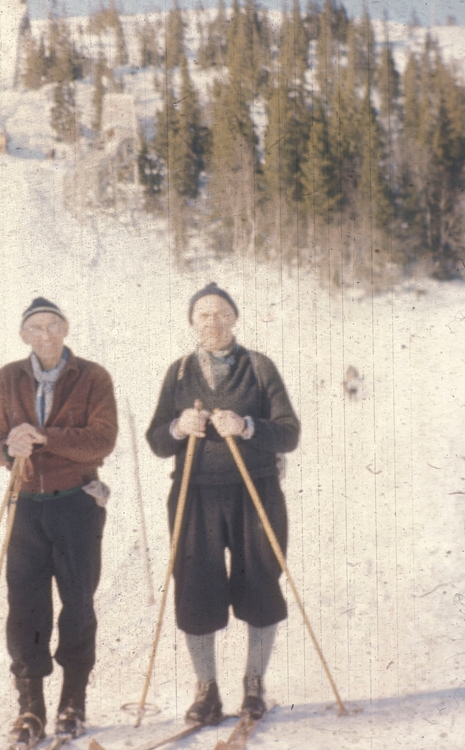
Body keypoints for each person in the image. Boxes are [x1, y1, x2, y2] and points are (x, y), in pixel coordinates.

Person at [145, 283, 300, 724]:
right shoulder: (178, 372)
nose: (212, 323)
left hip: (256, 493)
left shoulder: (258, 367)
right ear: (192, 323)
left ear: (234, 318)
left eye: (220, 314)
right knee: (195, 587)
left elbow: (289, 431)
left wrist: (248, 426)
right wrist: (178, 426)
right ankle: (206, 689)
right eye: (202, 316)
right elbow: (157, 440)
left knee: (261, 584)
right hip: (195, 496)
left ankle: (254, 686)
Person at [0, 297, 118, 746]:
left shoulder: (93, 376)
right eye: (35, 328)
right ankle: (31, 709)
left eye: (53, 326)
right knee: (25, 608)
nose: (45, 336)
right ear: (24, 335)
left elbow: (101, 440)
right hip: (25, 504)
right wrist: (7, 447)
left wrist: (42, 437)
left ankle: (73, 703)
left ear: (66, 328)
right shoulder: (8, 377)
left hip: (76, 502)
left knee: (77, 603)